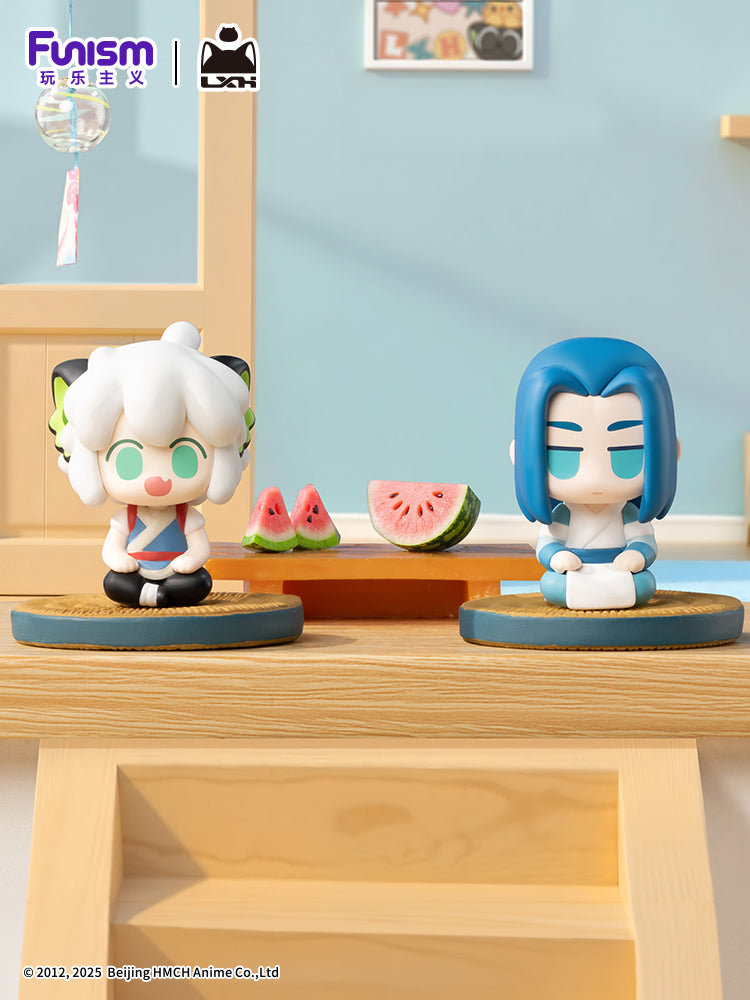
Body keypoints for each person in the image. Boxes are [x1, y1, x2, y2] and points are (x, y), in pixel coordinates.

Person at [50, 321, 253, 608]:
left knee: (198, 582)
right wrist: (118, 559)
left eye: (185, 460)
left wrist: (190, 559)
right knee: (115, 583)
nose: (157, 480)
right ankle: (153, 596)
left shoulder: (186, 517)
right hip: (135, 570)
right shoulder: (127, 518)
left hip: (177, 571)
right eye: (128, 462)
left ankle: (157, 595)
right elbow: (112, 547)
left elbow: (199, 548)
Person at [511, 337, 679, 610]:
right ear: (519, 454)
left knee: (643, 583)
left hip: (620, 572)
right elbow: (548, 545)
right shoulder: (564, 515)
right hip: (575, 574)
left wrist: (636, 556)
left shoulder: (627, 514)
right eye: (565, 454)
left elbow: (644, 543)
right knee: (552, 584)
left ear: (671, 451)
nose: (594, 477)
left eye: (626, 453)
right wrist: (557, 558)